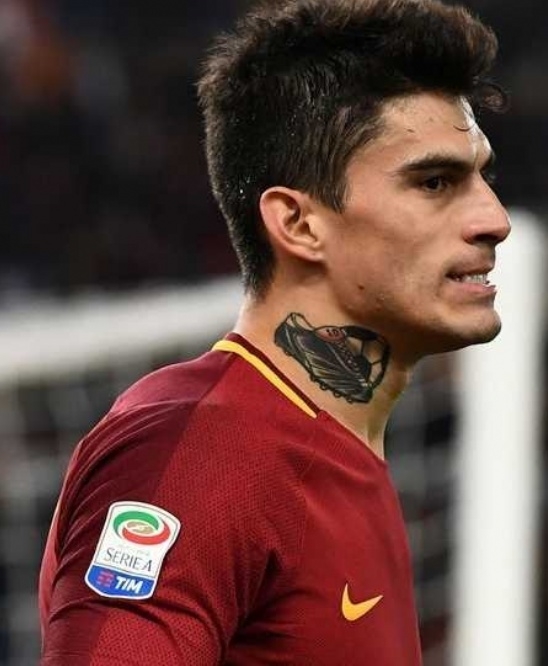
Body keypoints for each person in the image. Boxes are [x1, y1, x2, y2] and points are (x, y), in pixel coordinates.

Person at [38, 0, 510, 662]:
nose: (493, 219)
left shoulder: (337, 458)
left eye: (483, 177)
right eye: (434, 182)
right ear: (297, 224)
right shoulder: (207, 447)